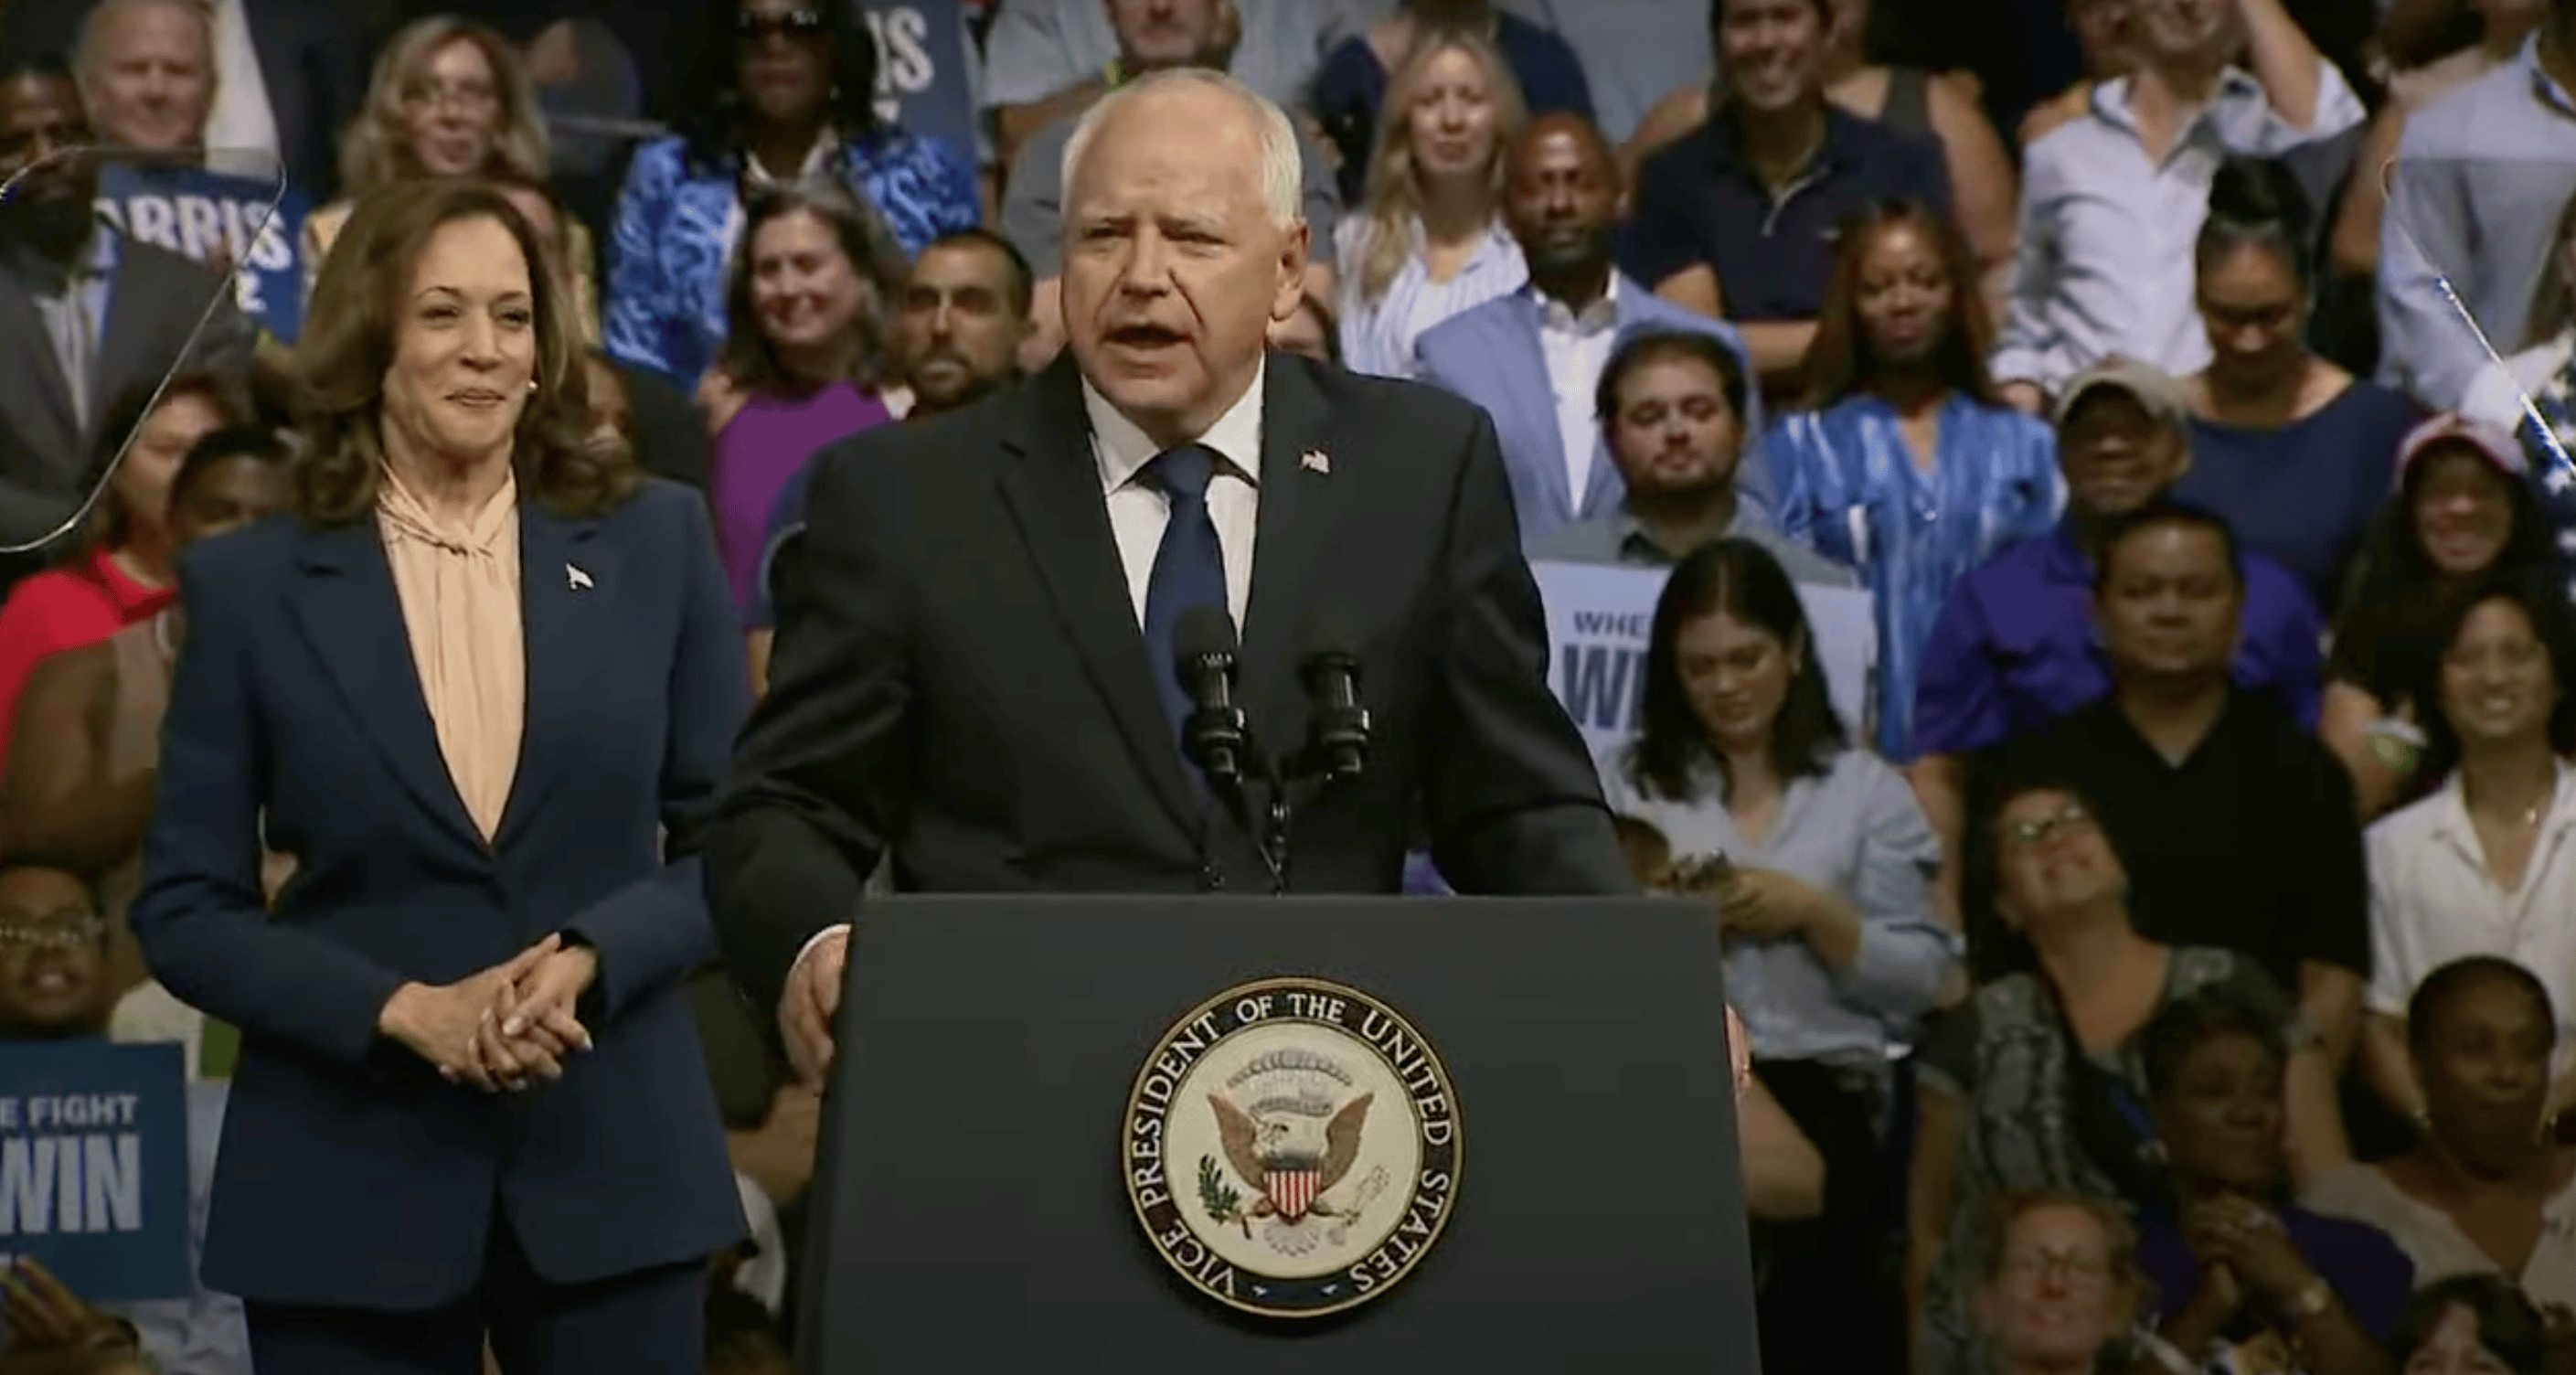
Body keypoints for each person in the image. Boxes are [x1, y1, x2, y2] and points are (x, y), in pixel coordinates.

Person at [706, 67, 1634, 1082]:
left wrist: (1643, 981)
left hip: (1322, 1096)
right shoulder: (904, 496)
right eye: (1104, 236)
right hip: (1010, 1082)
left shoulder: (1417, 469)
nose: (1141, 274)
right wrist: (816, 944)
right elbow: (783, 807)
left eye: (1191, 237)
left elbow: (1517, 802)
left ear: (1286, 271)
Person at [129, 178, 749, 1372]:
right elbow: (183, 912)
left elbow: (738, 841)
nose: (483, 351)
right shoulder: (253, 586)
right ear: (369, 333)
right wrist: (402, 1012)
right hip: (345, 1174)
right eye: (442, 315)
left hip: (611, 1160)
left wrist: (591, 959)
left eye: (512, 318)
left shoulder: (655, 540)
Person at [1600, 537, 1946, 1372]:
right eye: (1700, 666)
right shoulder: (1626, 782)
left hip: (1827, 1088)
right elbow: (1577, 943)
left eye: (1746, 658)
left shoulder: (1866, 791)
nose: (1725, 686)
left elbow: (1929, 981)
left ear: (1793, 652)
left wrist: (1817, 913)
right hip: (1672, 1088)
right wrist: (1659, 922)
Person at [1905, 773, 2347, 1375]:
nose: (2054, 840)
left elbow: (2327, 1181)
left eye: (2071, 821)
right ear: (2004, 904)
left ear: (2120, 860)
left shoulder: (2233, 986)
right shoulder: (1972, 1032)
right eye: (2026, 836)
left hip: (2239, 1326)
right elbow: (1931, 1235)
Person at [4, 422, 287, 1022]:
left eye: (270, 518)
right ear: (176, 528)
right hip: (140, 1023)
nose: (244, 535)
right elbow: (37, 850)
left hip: (309, 1009)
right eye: (221, 513)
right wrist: (196, 739)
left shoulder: (366, 673)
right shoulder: (86, 678)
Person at [1762, 198, 2060, 761]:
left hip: (2002, 742)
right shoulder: (1800, 446)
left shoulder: (2027, 445)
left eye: (1924, 282)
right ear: (1850, 306)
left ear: (1956, 295)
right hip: (1846, 751)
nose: (1903, 302)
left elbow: (2054, 603)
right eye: (1878, 288)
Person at [1991, 0, 2364, 408]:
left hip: (2226, 431)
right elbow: (2029, 320)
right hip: (2095, 435)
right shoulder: (2061, 153)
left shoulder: (2267, 142)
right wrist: (2020, 396)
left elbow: (2327, 127)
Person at [1412, 112, 1761, 544]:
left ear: (1619, 196)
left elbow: (1754, 513)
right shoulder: (1450, 357)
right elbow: (1427, 516)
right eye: (1537, 187)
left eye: (1579, 182)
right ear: (1505, 213)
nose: (1560, 204)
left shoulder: (1706, 347)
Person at [603, 0, 978, 393]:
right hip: (708, 429)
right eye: (751, 27)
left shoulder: (921, 171)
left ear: (838, 44)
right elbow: (636, 344)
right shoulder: (667, 173)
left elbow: (964, 318)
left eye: (803, 24)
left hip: (890, 421)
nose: (775, 45)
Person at [743, 228, 1037, 689]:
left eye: (971, 304)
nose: (941, 327)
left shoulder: (1069, 477)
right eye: (921, 303)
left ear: (1023, 331)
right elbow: (770, 661)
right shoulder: (836, 482)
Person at [1625, 0, 1952, 404]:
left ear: (1826, 33)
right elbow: (1699, 348)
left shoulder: (1903, 163)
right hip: (1734, 436)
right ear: (1719, 41)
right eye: (1745, 21)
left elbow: (1936, 324)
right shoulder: (1671, 178)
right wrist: (1862, 332)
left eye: (1785, 17)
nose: (1765, 42)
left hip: (1880, 423)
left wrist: (1757, 342)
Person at [999, 0, 1342, 369]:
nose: (1160, 6)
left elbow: (1302, 320)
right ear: (1108, 8)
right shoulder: (1052, 155)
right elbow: (1043, 336)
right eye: (1107, 233)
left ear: (1221, 8)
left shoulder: (1282, 139)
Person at [0, 58, 252, 550]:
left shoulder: (190, 293)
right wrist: (73, 536)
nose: (45, 157)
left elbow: (224, 456)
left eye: (64, 135)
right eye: (14, 145)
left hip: (171, 586)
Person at [2360, 577, 2576, 1126]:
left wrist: (2546, 1122)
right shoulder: (2389, 850)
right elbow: (2380, 1024)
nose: (2494, 678)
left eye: (2517, 655)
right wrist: (2444, 1138)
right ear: (2438, 685)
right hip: (2439, 1166)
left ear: (2556, 679)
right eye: (2467, 659)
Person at [2174, 157, 2422, 608]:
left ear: (2307, 295)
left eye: (2270, 315)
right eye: (2228, 316)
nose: (2249, 340)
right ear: (2197, 297)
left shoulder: (2371, 424)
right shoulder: (2162, 420)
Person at [2125, 994, 2412, 1374]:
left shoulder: (2360, 1255)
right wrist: (2209, 1307)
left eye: (2265, 1092)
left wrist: (2300, 1290)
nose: (2248, 1112)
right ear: (2159, 1117)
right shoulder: (2119, 1260)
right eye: (2215, 1092)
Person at [0, 375, 240, 781]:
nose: (189, 473)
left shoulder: (264, 603)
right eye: (167, 451)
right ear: (116, 471)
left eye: (208, 452)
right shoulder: (47, 606)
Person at [2323, 418, 2565, 819]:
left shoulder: (2556, 627)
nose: (2461, 508)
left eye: (2483, 492)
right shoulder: (2373, 629)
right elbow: (2349, 799)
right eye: (2438, 493)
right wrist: (2406, 739)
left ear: (2515, 507)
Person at [305, 17, 599, 342]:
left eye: (473, 94)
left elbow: (582, 364)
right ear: (395, 114)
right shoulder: (333, 234)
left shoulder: (548, 230)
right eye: (425, 95)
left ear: (502, 115)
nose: (451, 114)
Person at [2315, 958, 2576, 1316]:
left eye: (2530, 1050)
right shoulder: (2347, 1210)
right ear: (2419, 1062)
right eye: (2475, 1048)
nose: (2506, 1072)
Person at [697, 181, 904, 619]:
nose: (788, 289)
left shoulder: (905, 400)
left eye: (808, 265)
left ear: (862, 273)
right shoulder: (722, 404)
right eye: (769, 270)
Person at [1528, 328, 1851, 585]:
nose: (1676, 432)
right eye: (1648, 416)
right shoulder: (1545, 575)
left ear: (1742, 430)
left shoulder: (1816, 587)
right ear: (1611, 440)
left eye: (1699, 412)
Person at [1332, 26, 1528, 378]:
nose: (1451, 120)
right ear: (1405, 123)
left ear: (1499, 119)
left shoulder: (1527, 255)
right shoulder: (1354, 245)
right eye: (1430, 101)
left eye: (1470, 99)